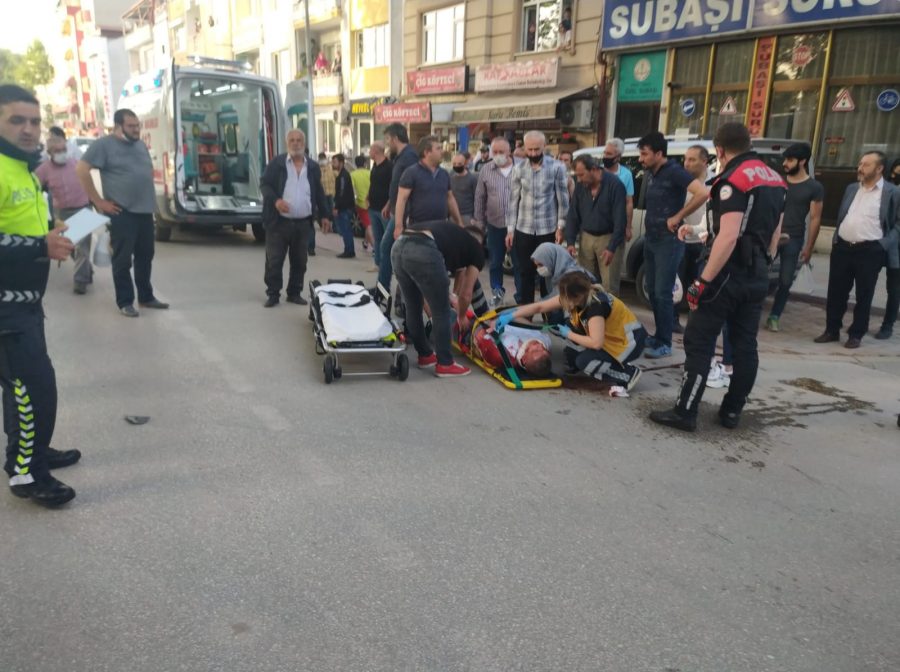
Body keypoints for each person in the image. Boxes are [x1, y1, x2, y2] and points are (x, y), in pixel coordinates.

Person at [650, 122, 786, 432]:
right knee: (745, 344)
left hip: (725, 273)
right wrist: (764, 262)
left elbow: (729, 236)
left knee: (699, 341)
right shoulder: (775, 179)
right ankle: (732, 411)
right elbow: (775, 233)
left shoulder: (733, 180)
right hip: (757, 273)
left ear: (720, 150)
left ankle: (685, 411)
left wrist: (703, 282)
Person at [0, 84, 80, 507]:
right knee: (35, 389)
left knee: (22, 389)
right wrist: (39, 245)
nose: (28, 129)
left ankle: (29, 454)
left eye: (34, 121)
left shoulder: (24, 169)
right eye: (17, 120)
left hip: (27, 302)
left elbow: (19, 224)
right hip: (6, 308)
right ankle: (28, 475)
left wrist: (52, 234)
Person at [77, 108, 168, 317]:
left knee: (145, 256)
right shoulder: (103, 145)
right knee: (123, 259)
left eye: (138, 126)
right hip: (122, 212)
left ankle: (146, 297)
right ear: (118, 127)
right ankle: (125, 301)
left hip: (145, 211)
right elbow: (81, 170)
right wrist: (99, 201)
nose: (136, 130)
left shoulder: (140, 145)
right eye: (131, 126)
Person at [499, 272, 645, 391]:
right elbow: (540, 307)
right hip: (612, 339)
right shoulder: (579, 296)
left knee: (584, 361)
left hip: (628, 344)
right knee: (571, 352)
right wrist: (512, 315)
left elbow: (596, 343)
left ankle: (627, 374)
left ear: (577, 297)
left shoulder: (595, 307)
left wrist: (568, 334)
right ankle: (595, 362)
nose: (562, 300)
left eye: (565, 297)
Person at [814, 151, 900, 348]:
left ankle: (856, 333)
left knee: (864, 294)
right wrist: (837, 239)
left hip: (870, 250)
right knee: (836, 291)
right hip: (843, 247)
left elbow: (897, 223)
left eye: (866, 165)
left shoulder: (892, 192)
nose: (860, 168)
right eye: (860, 164)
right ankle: (832, 329)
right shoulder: (852, 188)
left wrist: (883, 244)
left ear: (879, 168)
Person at [637, 131, 707, 358]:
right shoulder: (653, 173)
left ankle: (665, 343)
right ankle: (658, 336)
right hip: (651, 239)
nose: (641, 159)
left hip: (669, 242)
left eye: (644, 154)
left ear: (659, 154)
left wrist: (678, 216)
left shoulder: (675, 171)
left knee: (663, 293)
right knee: (653, 292)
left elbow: (702, 193)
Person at [391, 220, 485, 378]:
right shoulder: (476, 250)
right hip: (423, 248)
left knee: (413, 306)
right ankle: (445, 364)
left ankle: (425, 355)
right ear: (480, 242)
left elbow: (449, 279)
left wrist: (450, 296)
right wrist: (462, 316)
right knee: (441, 311)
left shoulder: (454, 237)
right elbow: (466, 294)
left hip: (399, 245)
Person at [677, 146, 733, 390]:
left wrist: (704, 279)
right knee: (699, 311)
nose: (687, 163)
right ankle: (706, 362)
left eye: (692, 159)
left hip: (721, 261)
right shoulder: (714, 189)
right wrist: (691, 228)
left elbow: (727, 233)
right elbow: (707, 223)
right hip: (704, 252)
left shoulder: (728, 190)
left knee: (717, 314)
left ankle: (725, 365)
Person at [259, 129, 330, 307]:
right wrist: (276, 201)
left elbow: (318, 192)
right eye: (292, 140)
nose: (295, 143)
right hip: (278, 222)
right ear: (287, 143)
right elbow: (265, 184)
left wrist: (325, 215)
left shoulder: (312, 167)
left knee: (300, 261)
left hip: (303, 223)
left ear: (304, 144)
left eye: (299, 140)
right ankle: (273, 294)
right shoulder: (277, 164)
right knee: (274, 260)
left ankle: (294, 293)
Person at [506, 130, 570, 306]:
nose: (533, 153)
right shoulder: (518, 169)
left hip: (547, 229)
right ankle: (526, 312)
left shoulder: (557, 167)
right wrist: (510, 230)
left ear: (544, 147)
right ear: (524, 148)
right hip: (524, 228)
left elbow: (563, 200)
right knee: (525, 272)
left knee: (546, 273)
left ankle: (549, 311)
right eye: (530, 149)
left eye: (537, 149)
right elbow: (513, 201)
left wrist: (560, 227)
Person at [766, 143, 824, 332]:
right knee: (760, 274)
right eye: (785, 159)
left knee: (785, 280)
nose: (785, 163)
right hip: (771, 236)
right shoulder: (777, 181)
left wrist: (809, 247)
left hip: (794, 238)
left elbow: (815, 218)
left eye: (790, 160)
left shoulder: (814, 187)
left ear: (802, 161)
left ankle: (775, 316)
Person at [36, 132, 92, 294]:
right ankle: (86, 269)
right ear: (50, 153)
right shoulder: (43, 170)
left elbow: (89, 183)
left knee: (82, 247)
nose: (62, 153)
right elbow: (34, 190)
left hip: (82, 208)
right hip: (61, 213)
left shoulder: (76, 164)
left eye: (64, 150)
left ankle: (80, 281)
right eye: (57, 151)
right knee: (70, 245)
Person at [565, 155, 627, 294]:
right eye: (577, 175)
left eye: (581, 175)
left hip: (608, 238)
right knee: (585, 284)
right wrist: (570, 242)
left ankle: (608, 308)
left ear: (593, 169)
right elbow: (573, 214)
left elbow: (620, 220)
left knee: (609, 287)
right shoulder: (581, 186)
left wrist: (612, 248)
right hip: (586, 237)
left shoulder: (615, 185)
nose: (579, 179)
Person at [473, 137, 517, 308]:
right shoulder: (486, 170)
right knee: (495, 261)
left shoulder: (520, 168)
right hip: (495, 224)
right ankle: (497, 291)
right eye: (495, 152)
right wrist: (479, 224)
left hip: (519, 225)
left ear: (509, 152)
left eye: (501, 152)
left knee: (519, 262)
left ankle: (521, 295)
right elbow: (480, 197)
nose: (498, 155)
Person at [393, 136, 463, 237]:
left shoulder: (444, 174)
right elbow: (401, 200)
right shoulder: (411, 173)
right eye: (438, 148)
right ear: (427, 152)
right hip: (419, 227)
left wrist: (459, 222)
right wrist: (398, 226)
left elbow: (450, 198)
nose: (442, 151)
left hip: (441, 227)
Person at [377, 123, 419, 292]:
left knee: (389, 248)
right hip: (396, 210)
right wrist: (389, 203)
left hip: (404, 213)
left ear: (395, 138)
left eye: (388, 139)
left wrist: (402, 219)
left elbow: (410, 187)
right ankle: (385, 288)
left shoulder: (409, 157)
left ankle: (385, 288)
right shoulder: (400, 157)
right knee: (391, 249)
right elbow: (398, 186)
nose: (387, 143)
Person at [601, 137, 635, 295]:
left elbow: (629, 202)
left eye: (609, 154)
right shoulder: (597, 171)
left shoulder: (626, 175)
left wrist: (628, 226)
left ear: (618, 157)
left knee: (611, 279)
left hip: (615, 230)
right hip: (596, 228)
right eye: (604, 153)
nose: (605, 156)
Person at [875, 157, 900, 340]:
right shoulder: (884, 189)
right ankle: (859, 321)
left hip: (896, 248)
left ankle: (888, 325)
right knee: (866, 283)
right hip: (877, 242)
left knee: (894, 289)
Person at [473, 322, 552, 376]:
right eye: (544, 349)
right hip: (510, 315)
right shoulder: (545, 341)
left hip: (487, 320)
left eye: (536, 350)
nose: (540, 346)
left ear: (524, 359)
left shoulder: (502, 355)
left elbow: (479, 333)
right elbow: (524, 321)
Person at [367, 141, 391, 271]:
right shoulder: (374, 166)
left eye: (370, 150)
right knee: (377, 237)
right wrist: (368, 196)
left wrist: (388, 204)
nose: (369, 153)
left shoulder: (389, 166)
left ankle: (389, 265)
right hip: (373, 207)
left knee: (387, 238)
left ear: (376, 151)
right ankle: (377, 263)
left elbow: (393, 188)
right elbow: (373, 184)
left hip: (384, 208)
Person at [329, 153, 356, 258]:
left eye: (334, 162)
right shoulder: (341, 175)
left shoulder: (343, 176)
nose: (333, 164)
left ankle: (349, 251)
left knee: (346, 230)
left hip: (345, 207)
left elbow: (342, 192)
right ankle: (348, 250)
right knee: (344, 229)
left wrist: (337, 207)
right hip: (344, 206)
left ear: (341, 163)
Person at [315, 151, 336, 256]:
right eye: (320, 159)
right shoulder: (317, 169)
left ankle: (330, 226)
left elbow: (335, 178)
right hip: (321, 194)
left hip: (330, 193)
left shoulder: (330, 168)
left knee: (330, 210)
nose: (322, 161)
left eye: (323, 158)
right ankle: (323, 226)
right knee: (322, 211)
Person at [350, 154, 373, 252]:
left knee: (368, 225)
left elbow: (352, 190)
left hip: (361, 203)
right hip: (372, 202)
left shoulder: (353, 175)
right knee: (369, 223)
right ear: (365, 163)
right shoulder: (370, 173)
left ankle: (374, 247)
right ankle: (366, 242)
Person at [450, 153, 477, 227]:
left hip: (467, 216)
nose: (456, 166)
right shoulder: (450, 177)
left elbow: (477, 199)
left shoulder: (472, 179)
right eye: (454, 164)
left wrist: (474, 217)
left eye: (459, 164)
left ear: (465, 164)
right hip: (453, 216)